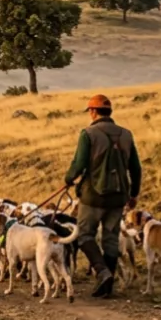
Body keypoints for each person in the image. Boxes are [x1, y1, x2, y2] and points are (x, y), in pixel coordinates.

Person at [63, 95, 143, 298]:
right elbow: (135, 168)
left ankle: (103, 272)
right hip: (119, 196)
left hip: (93, 196)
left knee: (84, 235)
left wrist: (69, 179)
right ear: (110, 113)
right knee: (110, 238)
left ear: (92, 112)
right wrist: (133, 193)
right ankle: (108, 286)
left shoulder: (88, 134)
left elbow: (79, 164)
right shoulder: (126, 134)